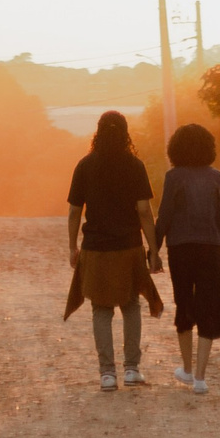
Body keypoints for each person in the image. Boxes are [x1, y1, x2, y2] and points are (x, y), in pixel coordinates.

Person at [65, 109, 156, 391]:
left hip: (96, 248)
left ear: (98, 132)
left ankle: (107, 374)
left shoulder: (85, 165)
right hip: (128, 247)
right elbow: (143, 210)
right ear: (126, 133)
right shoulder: (135, 165)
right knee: (131, 305)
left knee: (101, 309)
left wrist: (73, 247)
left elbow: (74, 212)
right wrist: (153, 248)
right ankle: (132, 369)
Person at [149, 121, 220, 395]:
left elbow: (165, 216)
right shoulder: (216, 176)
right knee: (208, 307)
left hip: (181, 248)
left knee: (184, 303)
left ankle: (185, 367)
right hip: (212, 248)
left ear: (176, 148)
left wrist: (154, 250)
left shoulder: (174, 177)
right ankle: (200, 378)